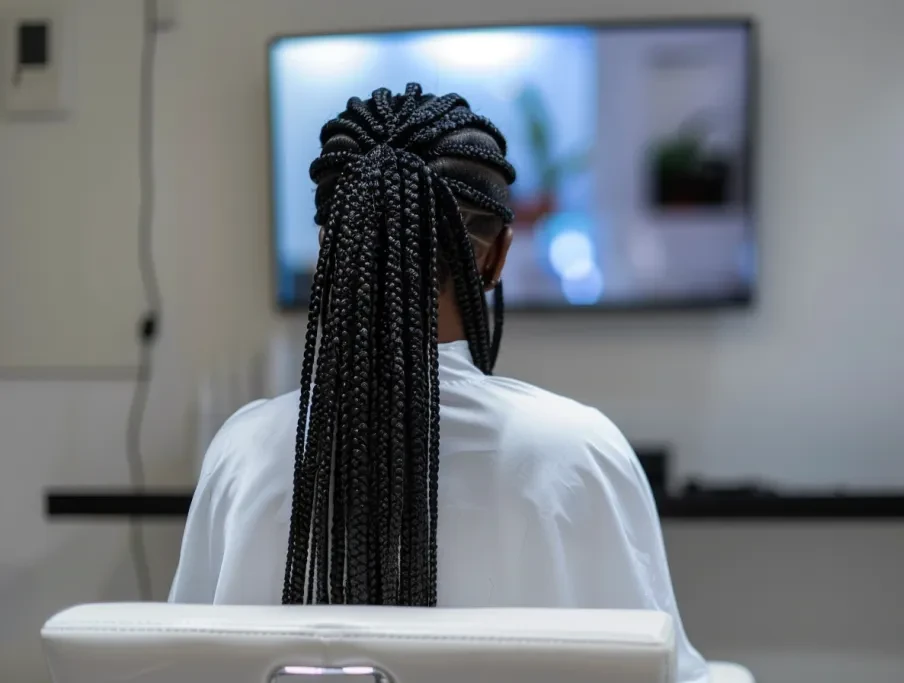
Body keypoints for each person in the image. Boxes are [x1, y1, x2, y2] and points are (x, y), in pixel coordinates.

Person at [169, 83, 708, 683]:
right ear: (497, 257)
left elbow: (181, 664)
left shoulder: (241, 453)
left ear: (328, 251)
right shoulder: (580, 453)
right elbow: (666, 673)